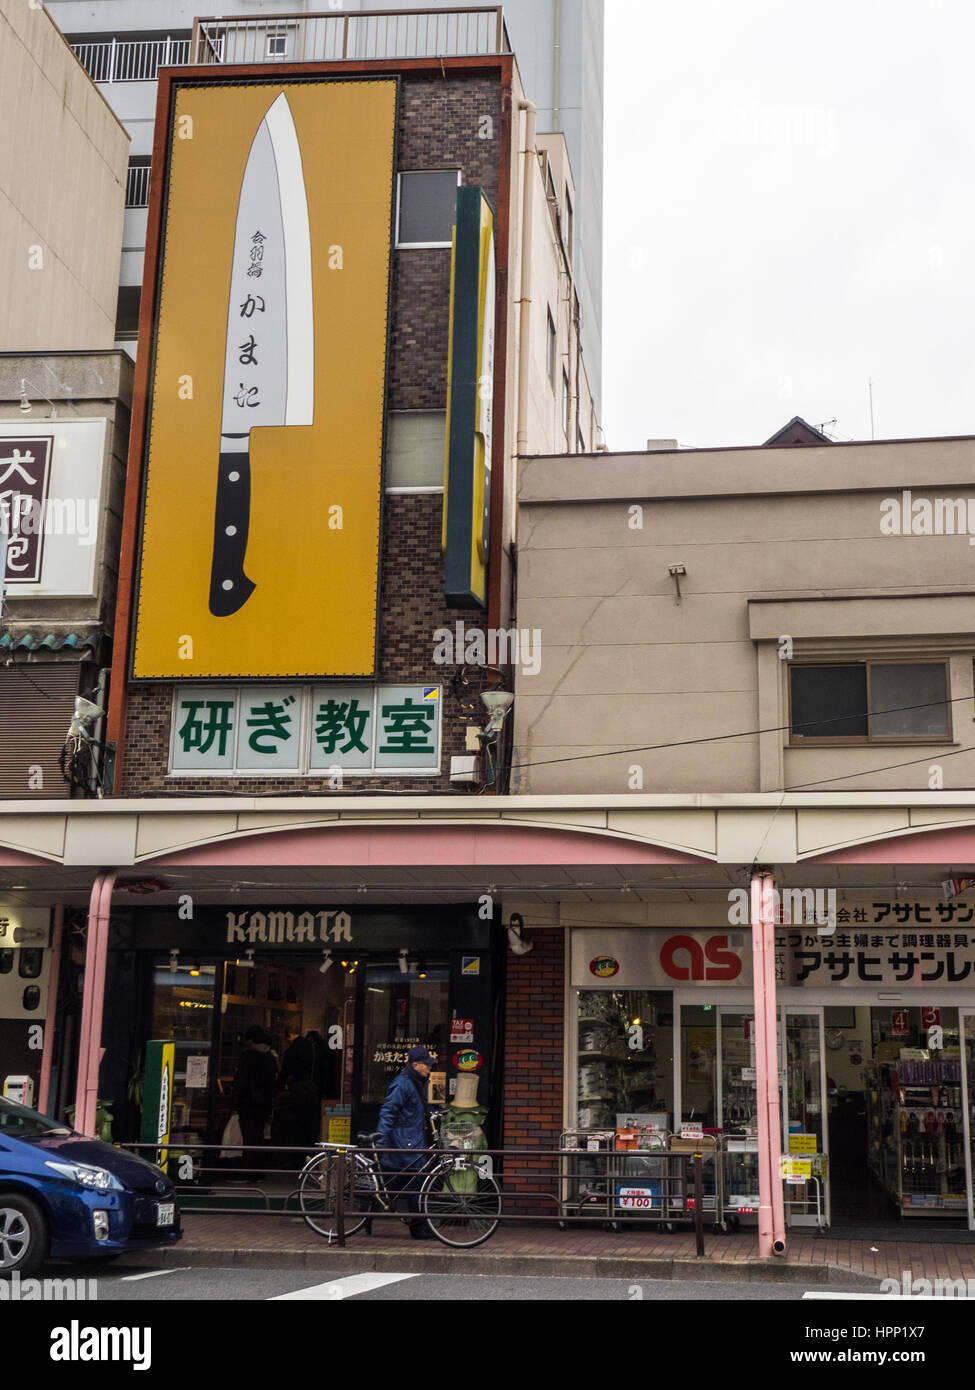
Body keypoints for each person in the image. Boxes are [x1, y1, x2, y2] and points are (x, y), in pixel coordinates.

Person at [376, 1045, 435, 1240]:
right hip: (405, 1143)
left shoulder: (418, 1082)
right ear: (416, 1065)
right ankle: (419, 1229)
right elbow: (388, 1111)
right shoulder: (403, 1084)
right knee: (416, 1185)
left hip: (412, 1141)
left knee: (400, 1185)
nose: (430, 1069)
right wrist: (382, 1140)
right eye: (427, 1065)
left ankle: (368, 1214)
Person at [231, 1025, 278, 1176]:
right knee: (258, 1136)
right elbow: (273, 1082)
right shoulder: (271, 1057)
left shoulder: (248, 1057)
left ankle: (247, 1171)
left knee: (248, 1138)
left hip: (248, 1103)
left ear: (251, 1040)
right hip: (264, 1104)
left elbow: (241, 1082)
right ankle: (258, 1171)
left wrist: (235, 1102)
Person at [279, 1027, 326, 1147]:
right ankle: (309, 1147)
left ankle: (297, 1152)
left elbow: (285, 1072)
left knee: (297, 1124)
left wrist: (278, 1087)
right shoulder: (314, 1048)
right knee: (310, 1124)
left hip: (298, 1090)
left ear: (289, 1035)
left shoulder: (292, 1050)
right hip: (313, 1089)